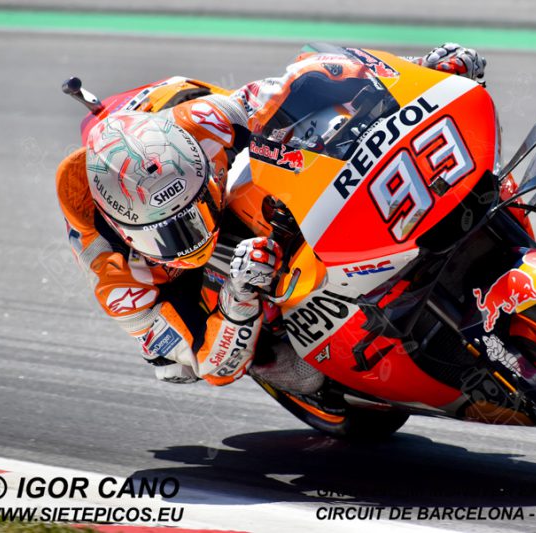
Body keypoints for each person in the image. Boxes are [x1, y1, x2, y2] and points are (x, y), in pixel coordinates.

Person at [55, 43, 486, 391]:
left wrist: (422, 69)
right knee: (285, 371)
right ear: (128, 230)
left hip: (170, 128)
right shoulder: (114, 275)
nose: (192, 236)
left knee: (315, 124)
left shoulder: (206, 123)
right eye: (171, 233)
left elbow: (310, 77)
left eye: (193, 216)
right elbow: (212, 366)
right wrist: (239, 296)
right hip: (180, 283)